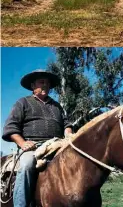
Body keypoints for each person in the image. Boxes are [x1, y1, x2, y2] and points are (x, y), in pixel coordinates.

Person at [2, 69, 73, 207]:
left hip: (57, 144)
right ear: (33, 85)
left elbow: (67, 124)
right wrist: (22, 143)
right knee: (27, 165)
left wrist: (69, 133)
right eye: (42, 82)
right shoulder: (22, 102)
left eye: (48, 83)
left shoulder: (56, 106)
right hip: (33, 146)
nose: (46, 85)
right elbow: (11, 127)